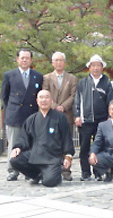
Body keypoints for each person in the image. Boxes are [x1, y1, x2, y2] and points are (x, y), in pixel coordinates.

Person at [10, 90, 75, 187]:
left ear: (51, 100)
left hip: (52, 157)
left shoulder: (60, 118)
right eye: (41, 97)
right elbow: (23, 137)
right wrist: (17, 147)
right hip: (35, 155)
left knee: (49, 182)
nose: (44, 100)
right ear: (37, 101)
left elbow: (67, 138)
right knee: (15, 160)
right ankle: (36, 175)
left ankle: (54, 173)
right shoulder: (31, 119)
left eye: (47, 97)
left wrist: (68, 156)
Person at [1, 48, 43, 181]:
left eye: (27, 58)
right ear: (17, 59)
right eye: (22, 57)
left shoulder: (38, 76)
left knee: (30, 144)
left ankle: (28, 170)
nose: (24, 60)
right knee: (14, 143)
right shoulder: (9, 75)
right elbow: (4, 96)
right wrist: (13, 109)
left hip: (31, 115)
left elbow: (39, 97)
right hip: (15, 114)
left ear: (31, 60)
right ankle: (13, 170)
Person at [73, 54, 113, 181]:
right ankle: (85, 172)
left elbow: (111, 101)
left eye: (98, 65)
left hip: (101, 121)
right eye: (93, 65)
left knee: (100, 147)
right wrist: (77, 115)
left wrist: (109, 117)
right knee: (84, 147)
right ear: (89, 68)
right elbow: (76, 100)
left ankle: (98, 172)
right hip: (86, 120)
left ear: (102, 67)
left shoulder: (107, 83)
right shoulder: (82, 83)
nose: (95, 68)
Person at [43, 52, 78, 181]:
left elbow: (74, 96)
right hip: (50, 115)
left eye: (61, 60)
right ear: (52, 62)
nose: (59, 63)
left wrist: (63, 107)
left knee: (67, 143)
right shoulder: (46, 78)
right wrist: (55, 106)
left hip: (67, 115)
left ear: (65, 62)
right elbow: (45, 93)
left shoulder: (72, 78)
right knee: (51, 143)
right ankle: (52, 168)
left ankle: (66, 170)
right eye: (56, 60)